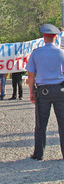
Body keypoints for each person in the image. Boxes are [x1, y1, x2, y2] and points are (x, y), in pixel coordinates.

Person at [26, 24, 64, 161]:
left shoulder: (36, 53)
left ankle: (39, 154)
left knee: (41, 124)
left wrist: (31, 92)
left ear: (44, 38)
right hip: (61, 90)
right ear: (55, 38)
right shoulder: (62, 53)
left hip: (43, 92)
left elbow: (31, 75)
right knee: (63, 123)